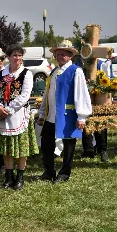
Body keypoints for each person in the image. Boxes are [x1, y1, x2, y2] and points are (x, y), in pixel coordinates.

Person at [37, 40, 92, 184]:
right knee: (46, 143)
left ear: (70, 56)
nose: (59, 56)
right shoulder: (54, 71)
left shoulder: (76, 71)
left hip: (68, 115)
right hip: (51, 115)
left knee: (68, 145)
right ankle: (49, 171)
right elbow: (47, 94)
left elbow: (81, 94)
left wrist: (82, 116)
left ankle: (64, 174)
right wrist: (42, 113)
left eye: (63, 54)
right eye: (57, 54)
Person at [0, 44, 38, 190]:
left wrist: (8, 109)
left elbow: (24, 96)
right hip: (3, 113)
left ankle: (20, 178)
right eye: (14, 55)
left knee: (21, 149)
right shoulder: (1, 73)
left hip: (19, 114)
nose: (17, 58)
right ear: (9, 57)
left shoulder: (26, 73)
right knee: (7, 147)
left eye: (19, 55)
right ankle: (8, 177)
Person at [82, 52, 117, 162]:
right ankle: (88, 149)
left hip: (101, 93)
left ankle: (102, 149)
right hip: (85, 94)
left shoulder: (102, 63)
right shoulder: (80, 62)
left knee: (100, 121)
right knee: (85, 120)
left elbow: (109, 78)